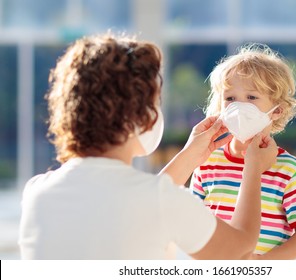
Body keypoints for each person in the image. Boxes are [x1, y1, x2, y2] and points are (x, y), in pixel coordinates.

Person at [18, 32, 279, 260]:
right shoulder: (161, 202)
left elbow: (137, 207)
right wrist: (253, 170)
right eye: (156, 102)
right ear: (142, 116)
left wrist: (189, 156)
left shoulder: (36, 193)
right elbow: (239, 248)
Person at [190, 44, 296, 260]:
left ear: (277, 110)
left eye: (251, 98)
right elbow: (192, 222)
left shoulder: (289, 169)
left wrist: (264, 263)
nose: (239, 107)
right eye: (230, 98)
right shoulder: (206, 162)